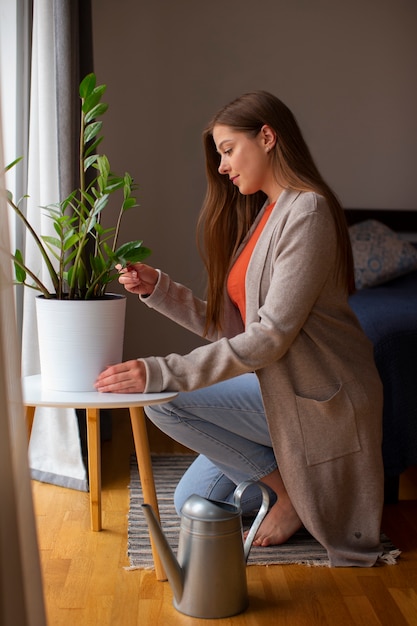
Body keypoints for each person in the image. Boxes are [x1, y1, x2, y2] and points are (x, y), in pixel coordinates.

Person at [95, 91, 385, 567]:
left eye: (228, 149)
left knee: (164, 400)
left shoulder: (307, 211)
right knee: (198, 503)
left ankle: (286, 495)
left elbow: (269, 336)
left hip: (317, 398)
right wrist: (160, 289)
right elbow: (236, 331)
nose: (223, 166)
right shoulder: (266, 214)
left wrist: (162, 370)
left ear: (267, 137)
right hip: (274, 386)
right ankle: (289, 483)